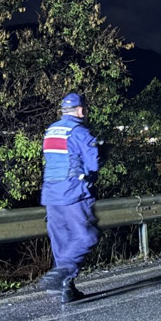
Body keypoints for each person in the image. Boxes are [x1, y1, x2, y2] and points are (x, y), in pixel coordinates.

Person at [38, 93, 101, 303]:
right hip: (73, 194)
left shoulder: (51, 131)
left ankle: (66, 290)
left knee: (62, 240)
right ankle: (61, 272)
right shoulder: (80, 132)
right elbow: (93, 165)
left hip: (51, 194)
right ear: (81, 110)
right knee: (87, 236)